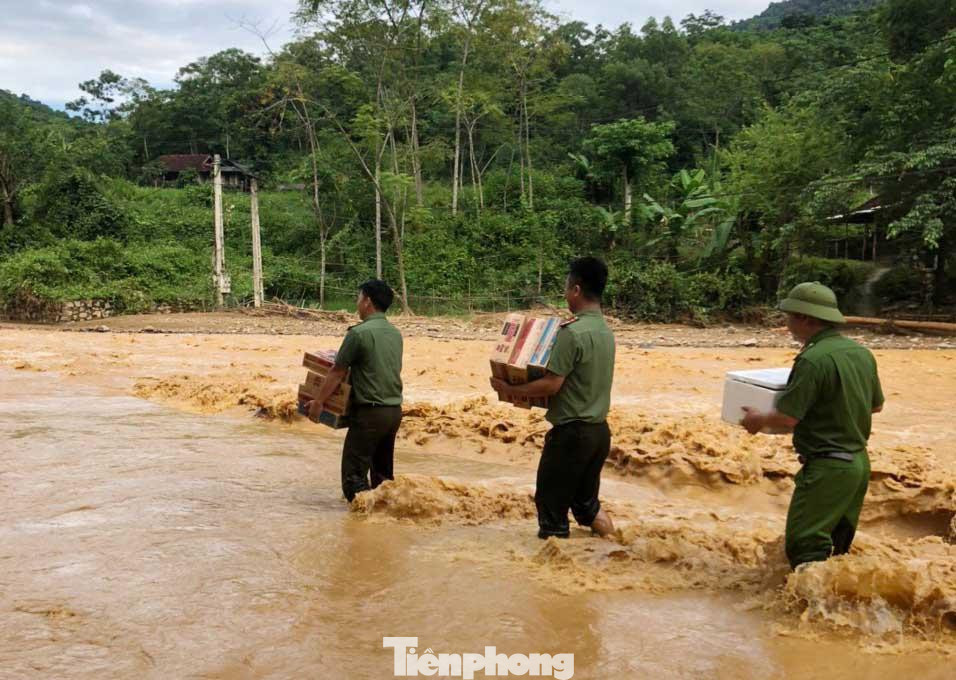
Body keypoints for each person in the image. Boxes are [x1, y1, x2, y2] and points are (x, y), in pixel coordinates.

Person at [741, 281, 884, 569]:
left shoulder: (812, 360)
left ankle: (805, 611)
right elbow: (876, 405)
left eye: (790, 316)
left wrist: (758, 419)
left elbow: (788, 418)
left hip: (828, 469)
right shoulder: (860, 353)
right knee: (837, 553)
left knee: (804, 549)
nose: (788, 322)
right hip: (858, 465)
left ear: (805, 318)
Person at [491, 257, 616, 539]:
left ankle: (553, 578)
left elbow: (551, 385)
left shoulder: (571, 333)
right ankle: (613, 550)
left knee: (551, 514)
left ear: (576, 289)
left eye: (566, 287)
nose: (565, 293)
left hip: (571, 436)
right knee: (587, 508)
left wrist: (508, 389)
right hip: (599, 433)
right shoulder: (605, 332)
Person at [307, 279, 404, 502]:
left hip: (370, 414)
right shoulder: (395, 333)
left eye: (359, 298)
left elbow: (337, 372)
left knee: (353, 479)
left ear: (368, 301)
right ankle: (384, 524)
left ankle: (363, 525)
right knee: (382, 478)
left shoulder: (358, 333)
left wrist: (318, 403)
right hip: (393, 412)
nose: (357, 303)